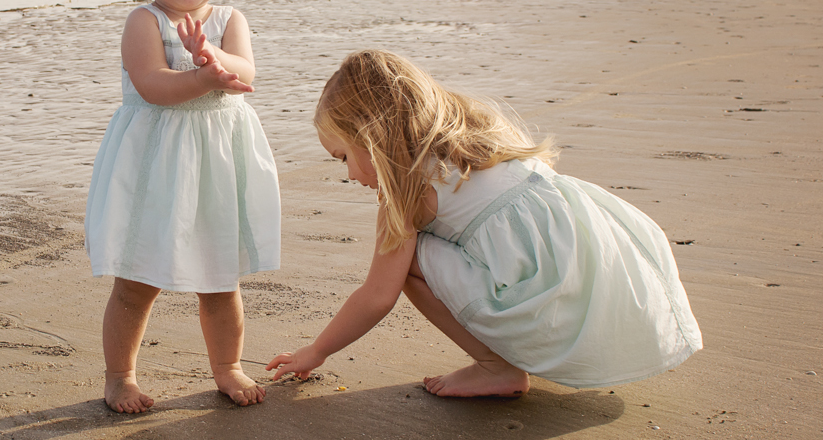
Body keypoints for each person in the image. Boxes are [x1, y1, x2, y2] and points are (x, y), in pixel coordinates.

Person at [268, 49, 702, 396]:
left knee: (408, 261)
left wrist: (316, 351)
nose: (348, 175)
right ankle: (511, 354)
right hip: (600, 271)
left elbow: (377, 296)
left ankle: (497, 368)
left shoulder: (407, 196)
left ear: (374, 140)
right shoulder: (478, 133)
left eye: (344, 157)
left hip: (548, 299)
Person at [86, 0, 281, 412]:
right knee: (136, 280)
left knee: (221, 278)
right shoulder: (143, 23)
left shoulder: (229, 21)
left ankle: (227, 366)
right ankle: (120, 376)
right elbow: (154, 86)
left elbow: (246, 74)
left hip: (216, 165)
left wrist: (214, 58)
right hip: (156, 166)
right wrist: (202, 77)